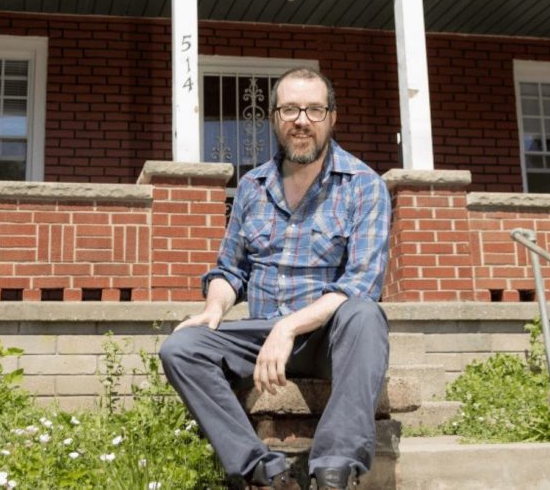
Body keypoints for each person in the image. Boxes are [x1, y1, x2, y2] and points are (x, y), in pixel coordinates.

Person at [160, 67, 391, 490]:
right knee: (181, 347)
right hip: (262, 335)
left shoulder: (364, 186)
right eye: (289, 109)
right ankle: (261, 471)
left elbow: (361, 282)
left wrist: (289, 327)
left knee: (365, 314)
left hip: (326, 335)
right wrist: (214, 308)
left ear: (332, 118)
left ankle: (333, 470)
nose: (301, 120)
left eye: (314, 110)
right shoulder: (252, 186)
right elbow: (231, 269)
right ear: (273, 118)